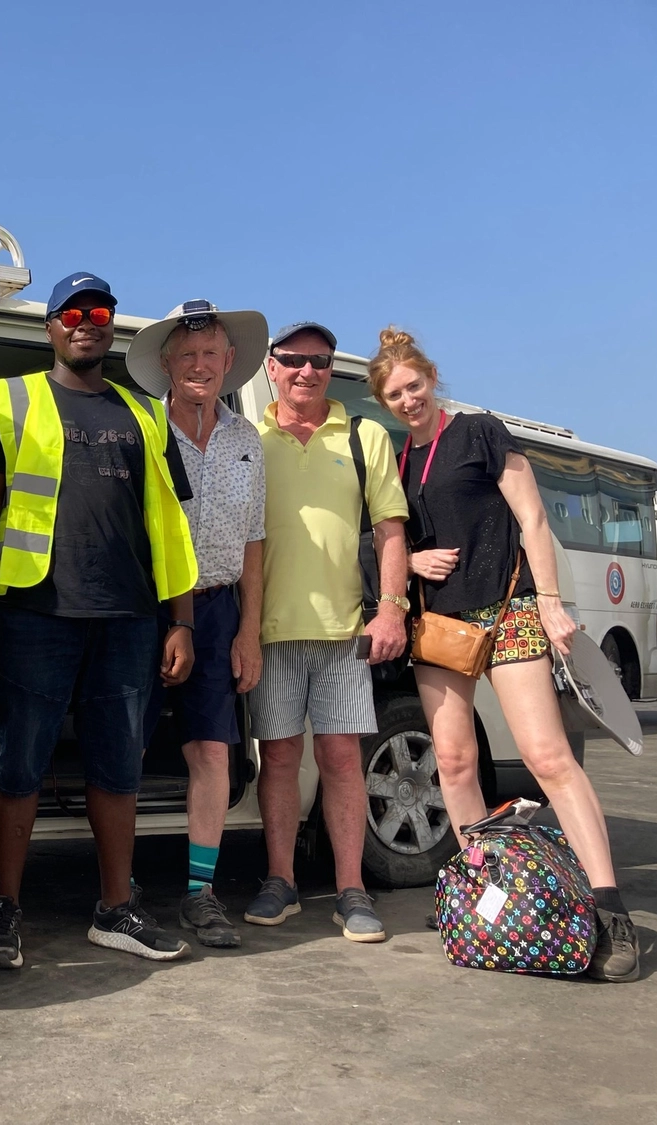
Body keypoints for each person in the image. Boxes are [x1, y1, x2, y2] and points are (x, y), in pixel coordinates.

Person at [369, 327, 639, 981]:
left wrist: (549, 600)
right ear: (383, 402)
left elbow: (534, 518)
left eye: (414, 386)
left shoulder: (481, 432)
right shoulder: (400, 463)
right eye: (395, 395)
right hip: (443, 622)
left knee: (548, 757)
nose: (408, 400)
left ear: (431, 378)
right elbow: (387, 538)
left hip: (509, 606)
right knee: (455, 763)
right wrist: (415, 560)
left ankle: (610, 910)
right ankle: (482, 890)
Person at [0, 272, 199, 970]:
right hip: (35, 610)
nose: (86, 320)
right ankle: (4, 909)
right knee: (19, 765)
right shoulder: (9, 398)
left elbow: (171, 527)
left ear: (112, 325)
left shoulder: (147, 413)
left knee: (118, 766)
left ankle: (115, 908)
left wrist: (179, 620)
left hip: (128, 617)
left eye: (99, 310)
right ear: (52, 327)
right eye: (72, 311)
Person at [244, 321, 409, 943]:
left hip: (343, 630)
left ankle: (351, 890)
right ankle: (280, 881)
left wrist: (390, 608)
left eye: (319, 361)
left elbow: (392, 529)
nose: (306, 372)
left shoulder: (365, 435)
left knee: (341, 759)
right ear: (271, 367)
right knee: (280, 758)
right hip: (269, 627)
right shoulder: (248, 437)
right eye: (293, 360)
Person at [126, 299, 269, 949]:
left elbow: (255, 543)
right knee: (121, 744)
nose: (201, 366)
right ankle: (117, 886)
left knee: (213, 751)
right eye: (188, 356)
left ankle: (199, 892)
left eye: (212, 354)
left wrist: (249, 631)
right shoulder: (141, 430)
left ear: (230, 362)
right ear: (166, 365)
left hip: (218, 609)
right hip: (145, 606)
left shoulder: (247, 442)